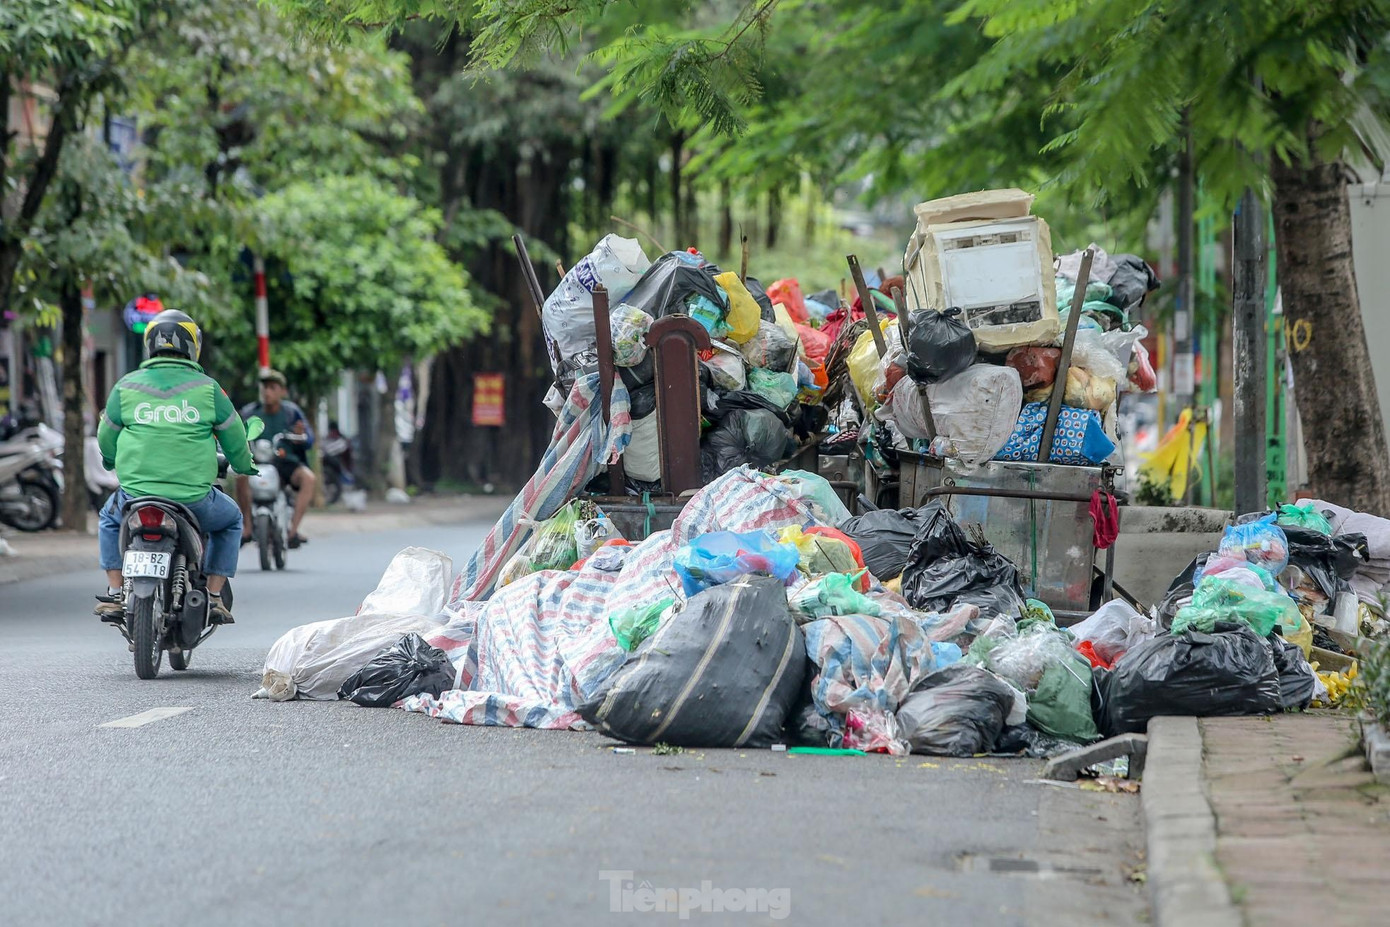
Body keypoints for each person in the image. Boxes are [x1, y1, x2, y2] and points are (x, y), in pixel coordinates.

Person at [94, 310, 256, 623]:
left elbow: (106, 437)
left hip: (135, 496)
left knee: (108, 519)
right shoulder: (209, 390)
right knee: (232, 519)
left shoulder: (125, 387)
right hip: (194, 500)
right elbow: (235, 439)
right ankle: (214, 595)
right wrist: (244, 465)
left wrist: (110, 459)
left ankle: (115, 593)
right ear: (193, 346)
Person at [236, 369, 316, 548]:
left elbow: (309, 439)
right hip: (257, 462)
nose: (267, 392)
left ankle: (293, 531)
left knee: (309, 478)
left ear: (282, 391)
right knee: (240, 476)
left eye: (272, 387)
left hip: (286, 462)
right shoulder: (250, 412)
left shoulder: (291, 412)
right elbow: (236, 434)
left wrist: (301, 436)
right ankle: (247, 528)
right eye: (264, 387)